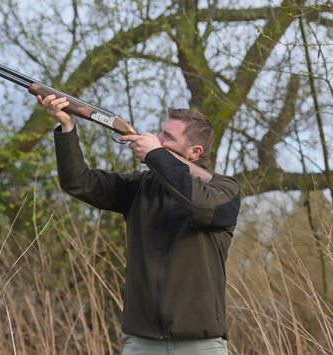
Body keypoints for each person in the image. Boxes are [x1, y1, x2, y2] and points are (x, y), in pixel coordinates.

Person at [38, 94, 241, 355]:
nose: (156, 140)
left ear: (195, 152)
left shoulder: (224, 190)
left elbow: (199, 206)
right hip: (141, 343)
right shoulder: (140, 186)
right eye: (160, 133)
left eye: (168, 137)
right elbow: (79, 183)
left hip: (201, 345)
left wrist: (155, 156)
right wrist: (67, 126)